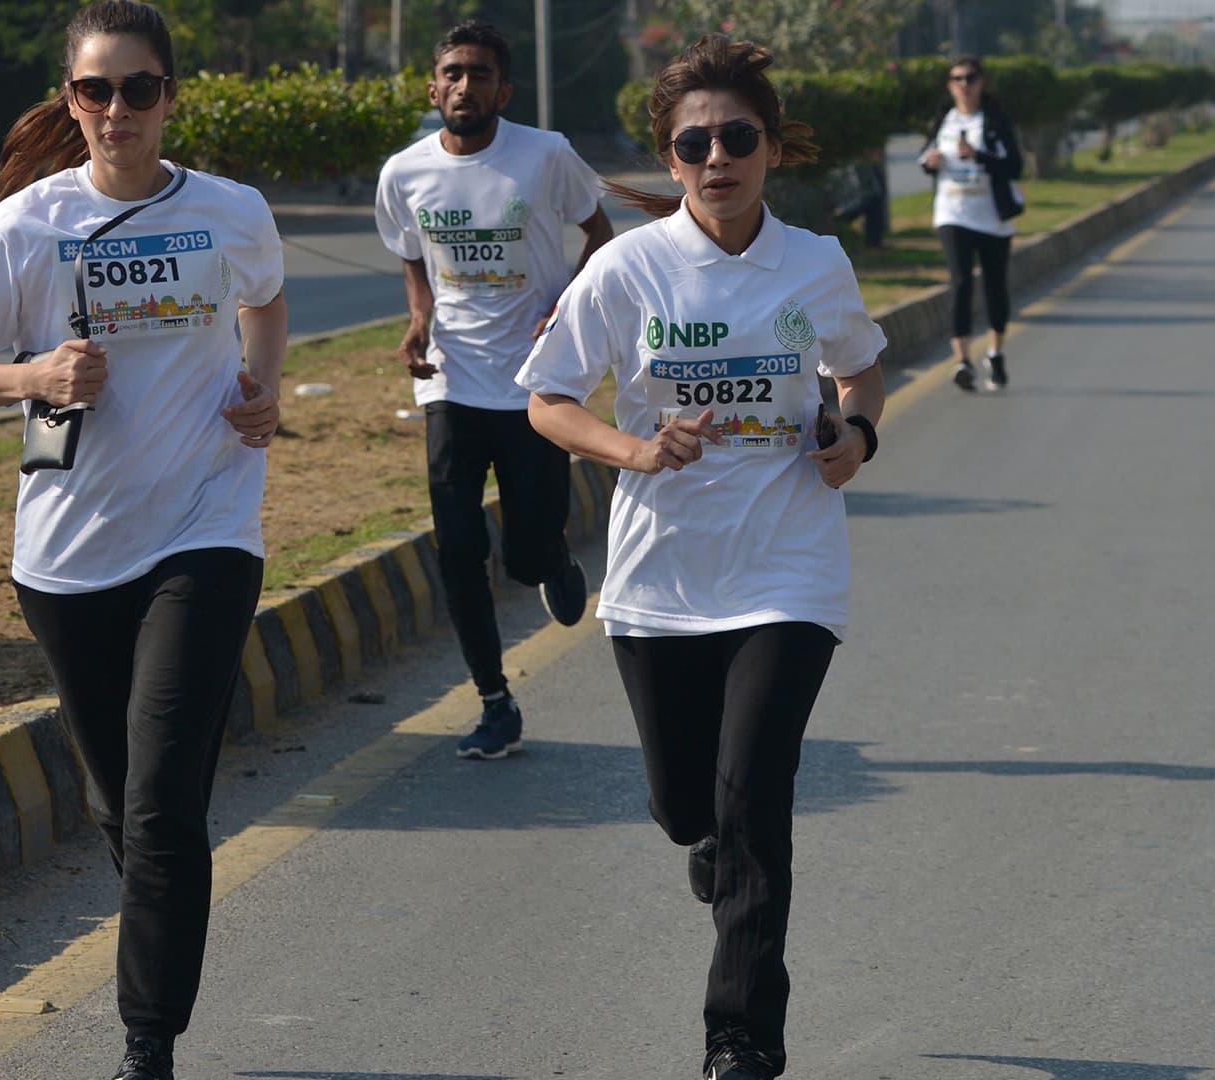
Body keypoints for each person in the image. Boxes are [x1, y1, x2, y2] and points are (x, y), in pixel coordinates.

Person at [0, 4, 286, 1078]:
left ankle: (145, 1046)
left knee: (167, 803)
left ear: (171, 97)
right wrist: (30, 377)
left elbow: (263, 301)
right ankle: (149, 884)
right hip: (69, 553)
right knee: (125, 803)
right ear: (69, 100)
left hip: (208, 529)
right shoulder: (29, 226)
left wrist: (259, 388)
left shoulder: (229, 210)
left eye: (138, 89)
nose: (116, 111)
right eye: (95, 91)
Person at [516, 34, 885, 1080]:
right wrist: (636, 448)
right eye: (694, 142)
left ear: (771, 147)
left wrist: (856, 440)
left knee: (755, 801)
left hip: (788, 573)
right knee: (691, 809)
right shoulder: (628, 267)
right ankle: (709, 848)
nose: (716, 157)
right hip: (661, 581)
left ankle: (742, 1039)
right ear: (671, 159)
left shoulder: (815, 262)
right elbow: (547, 402)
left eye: (737, 137)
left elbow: (860, 373)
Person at [374, 18, 615, 760]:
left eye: (480, 74)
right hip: (451, 381)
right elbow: (413, 253)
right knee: (456, 548)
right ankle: (494, 700)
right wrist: (419, 316)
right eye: (453, 73)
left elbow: (600, 237)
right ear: (432, 86)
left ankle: (552, 560)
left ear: (503, 90)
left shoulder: (544, 156)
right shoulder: (404, 173)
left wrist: (564, 308)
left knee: (523, 556)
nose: (465, 86)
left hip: (534, 384)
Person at [918, 55, 1023, 392]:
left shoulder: (994, 122)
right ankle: (962, 360)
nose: (964, 85)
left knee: (995, 286)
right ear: (950, 85)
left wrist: (977, 156)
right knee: (960, 282)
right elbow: (927, 155)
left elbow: (1015, 167)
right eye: (957, 79)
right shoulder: (943, 120)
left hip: (991, 217)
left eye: (971, 78)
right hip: (953, 213)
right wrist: (931, 162)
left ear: (982, 82)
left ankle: (995, 352)